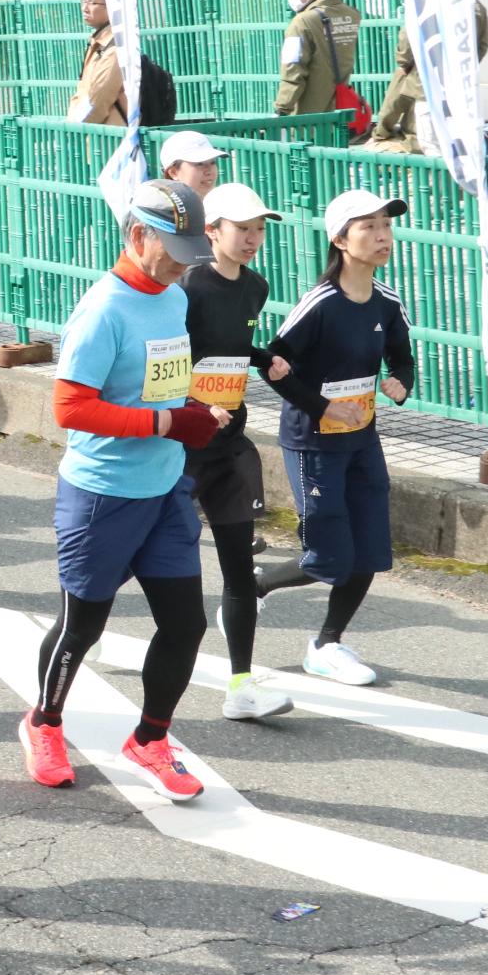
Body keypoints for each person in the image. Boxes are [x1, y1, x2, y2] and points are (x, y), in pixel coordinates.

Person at [20, 178, 228, 799]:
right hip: (102, 493)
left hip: (164, 488)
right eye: (175, 249)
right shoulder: (103, 309)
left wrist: (192, 408)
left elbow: (158, 381)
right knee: (82, 627)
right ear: (138, 236)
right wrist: (170, 421)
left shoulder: (173, 297)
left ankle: (151, 739)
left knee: (185, 624)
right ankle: (44, 721)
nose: (185, 264)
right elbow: (70, 408)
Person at [258, 189, 415, 685]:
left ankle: (328, 643)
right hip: (313, 442)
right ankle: (254, 585)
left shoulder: (387, 302)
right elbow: (273, 365)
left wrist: (400, 384)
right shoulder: (320, 303)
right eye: (367, 226)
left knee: (368, 549)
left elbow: (403, 357)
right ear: (341, 239)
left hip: (362, 439)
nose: (382, 235)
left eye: (385, 225)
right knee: (329, 556)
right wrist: (324, 407)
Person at [180, 182, 294, 722]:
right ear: (212, 231)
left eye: (259, 230)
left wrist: (262, 356)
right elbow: (171, 355)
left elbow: (231, 345)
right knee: (140, 551)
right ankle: (93, 624)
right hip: (179, 446)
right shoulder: (186, 287)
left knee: (237, 567)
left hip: (227, 444)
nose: (252, 239)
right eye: (241, 229)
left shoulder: (256, 287)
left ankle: (241, 685)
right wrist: (193, 404)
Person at [370, 0, 488, 152]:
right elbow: (482, 46)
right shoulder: (475, 4)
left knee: (432, 150)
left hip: (427, 91)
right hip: (462, 89)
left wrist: (378, 135)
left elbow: (391, 107)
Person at [273, 0, 360, 117]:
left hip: (309, 116)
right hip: (340, 109)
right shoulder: (351, 14)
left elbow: (292, 70)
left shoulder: (301, 22)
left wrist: (282, 107)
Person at [69, 0, 128, 125]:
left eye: (93, 3)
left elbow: (99, 100)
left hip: (105, 140)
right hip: (97, 136)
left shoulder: (115, 48)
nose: (85, 8)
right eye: (84, 1)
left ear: (112, 7)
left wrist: (76, 130)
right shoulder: (99, 42)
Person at [157, 131, 225, 196]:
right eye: (199, 164)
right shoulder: (165, 207)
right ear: (174, 172)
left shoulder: (224, 202)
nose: (209, 171)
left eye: (212, 162)